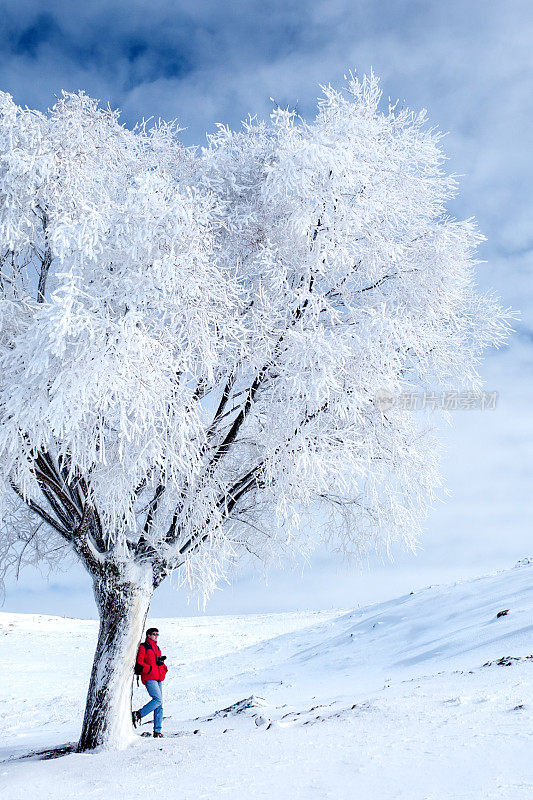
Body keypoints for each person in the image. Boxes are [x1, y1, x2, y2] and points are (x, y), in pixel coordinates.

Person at [132, 627, 168, 738]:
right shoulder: (144, 647)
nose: (156, 636)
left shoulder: (157, 648)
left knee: (159, 705)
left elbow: (159, 662)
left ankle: (157, 732)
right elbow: (139, 662)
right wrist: (151, 669)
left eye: (157, 634)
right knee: (157, 700)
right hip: (150, 678)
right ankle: (138, 714)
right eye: (154, 634)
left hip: (158, 678)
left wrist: (163, 667)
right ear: (148, 635)